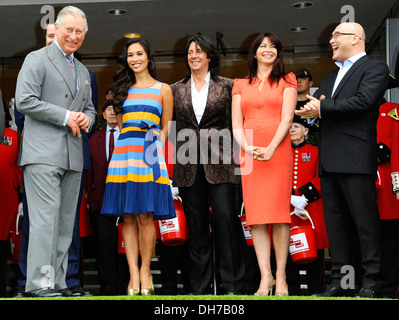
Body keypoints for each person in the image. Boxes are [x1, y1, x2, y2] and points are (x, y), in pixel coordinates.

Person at [295, 22, 389, 298]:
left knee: (365, 224)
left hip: (356, 159)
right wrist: (312, 114)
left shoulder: (375, 68)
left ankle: (372, 283)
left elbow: (364, 101)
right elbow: (328, 113)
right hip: (329, 160)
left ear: (356, 38)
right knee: (336, 227)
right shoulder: (328, 77)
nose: (331, 41)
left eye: (336, 35)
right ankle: (342, 283)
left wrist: (321, 107)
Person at [15, 6, 96, 297]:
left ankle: (59, 282)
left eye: (79, 32)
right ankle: (39, 283)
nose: (74, 36)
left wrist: (89, 118)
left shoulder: (83, 71)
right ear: (56, 29)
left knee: (64, 224)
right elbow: (24, 101)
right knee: (45, 221)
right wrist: (65, 116)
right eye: (69, 30)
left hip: (72, 155)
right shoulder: (36, 59)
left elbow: (89, 109)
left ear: (84, 35)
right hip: (42, 154)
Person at [171, 34, 245, 295]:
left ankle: (233, 285)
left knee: (226, 222)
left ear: (210, 56)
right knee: (197, 228)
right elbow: (171, 129)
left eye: (199, 51)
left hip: (222, 163)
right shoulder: (175, 88)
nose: (194, 55)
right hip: (187, 165)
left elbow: (237, 123)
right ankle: (199, 288)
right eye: (190, 51)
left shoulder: (228, 85)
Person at [101, 37, 175, 296]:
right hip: (125, 154)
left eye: (139, 53)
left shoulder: (163, 89)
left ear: (148, 57)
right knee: (128, 216)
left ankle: (146, 270)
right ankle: (133, 274)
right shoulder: (120, 91)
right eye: (130, 55)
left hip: (151, 154)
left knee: (146, 216)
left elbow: (167, 127)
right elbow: (122, 126)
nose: (135, 59)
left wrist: (157, 149)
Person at [232, 32, 297, 296]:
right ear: (254, 52)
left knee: (280, 217)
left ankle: (281, 277)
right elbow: (236, 124)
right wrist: (247, 147)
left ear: (278, 53)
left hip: (278, 152)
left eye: (273, 47)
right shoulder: (239, 83)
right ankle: (265, 277)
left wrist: (271, 148)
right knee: (256, 218)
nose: (267, 50)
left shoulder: (287, 80)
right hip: (249, 154)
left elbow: (286, 120)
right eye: (262, 46)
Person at [86, 99, 129, 295]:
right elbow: (89, 170)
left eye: (116, 109)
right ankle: (108, 288)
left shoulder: (129, 137)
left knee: (126, 244)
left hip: (126, 200)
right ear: (103, 115)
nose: (112, 112)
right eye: (108, 109)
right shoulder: (94, 138)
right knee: (104, 246)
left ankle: (127, 284)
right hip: (100, 199)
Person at [286, 115, 328, 295]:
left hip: (311, 209)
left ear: (306, 131)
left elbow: (322, 178)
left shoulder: (316, 151)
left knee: (316, 251)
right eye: (290, 127)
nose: (292, 130)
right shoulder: (281, 153)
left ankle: (317, 290)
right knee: (289, 250)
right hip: (288, 209)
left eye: (296, 126)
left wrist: (305, 196)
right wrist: (290, 198)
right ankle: (293, 291)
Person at [375, 99, 399, 298]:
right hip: (361, 183)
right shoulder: (357, 110)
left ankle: (390, 287)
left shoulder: (394, 110)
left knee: (389, 240)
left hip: (387, 183)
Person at [0, 125, 22, 297]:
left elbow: (21, 162)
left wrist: (14, 180)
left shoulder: (12, 135)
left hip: (6, 196)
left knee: (3, 244)